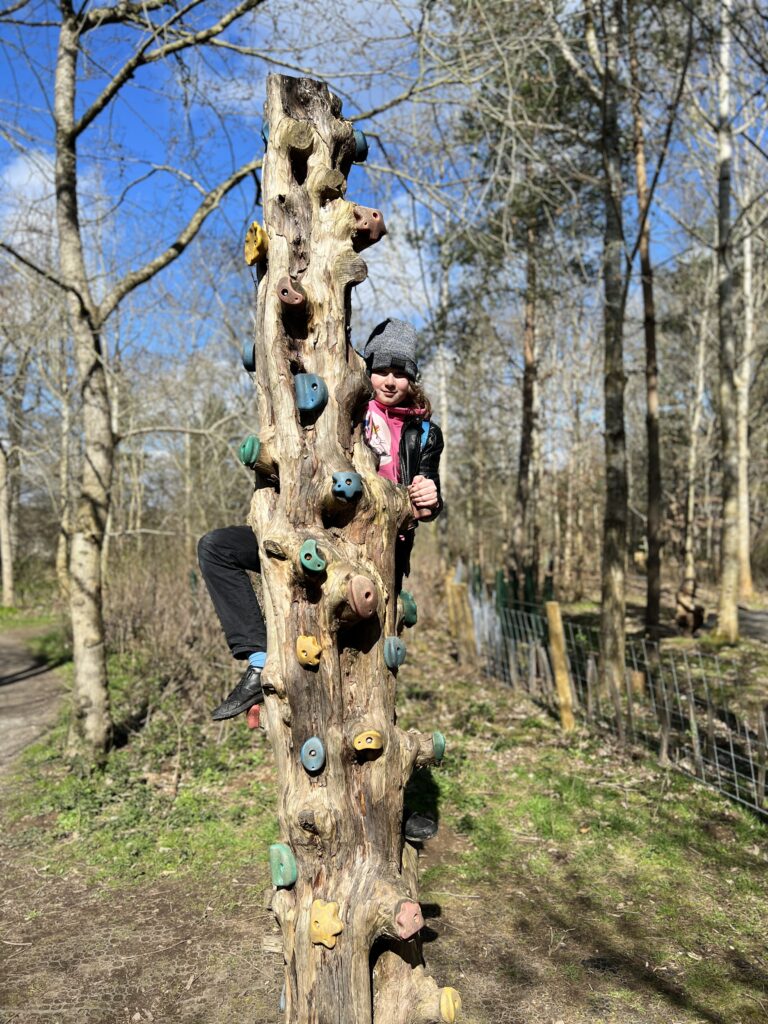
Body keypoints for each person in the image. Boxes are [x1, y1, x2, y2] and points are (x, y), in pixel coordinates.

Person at [197, 318, 443, 723]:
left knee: (345, 662)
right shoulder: (348, 405)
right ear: (368, 370)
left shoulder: (425, 433)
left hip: (373, 556)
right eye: (382, 369)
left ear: (412, 380)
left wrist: (429, 500)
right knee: (217, 547)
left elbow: (427, 495)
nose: (390, 380)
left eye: (401, 373)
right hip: (315, 530)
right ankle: (260, 661)